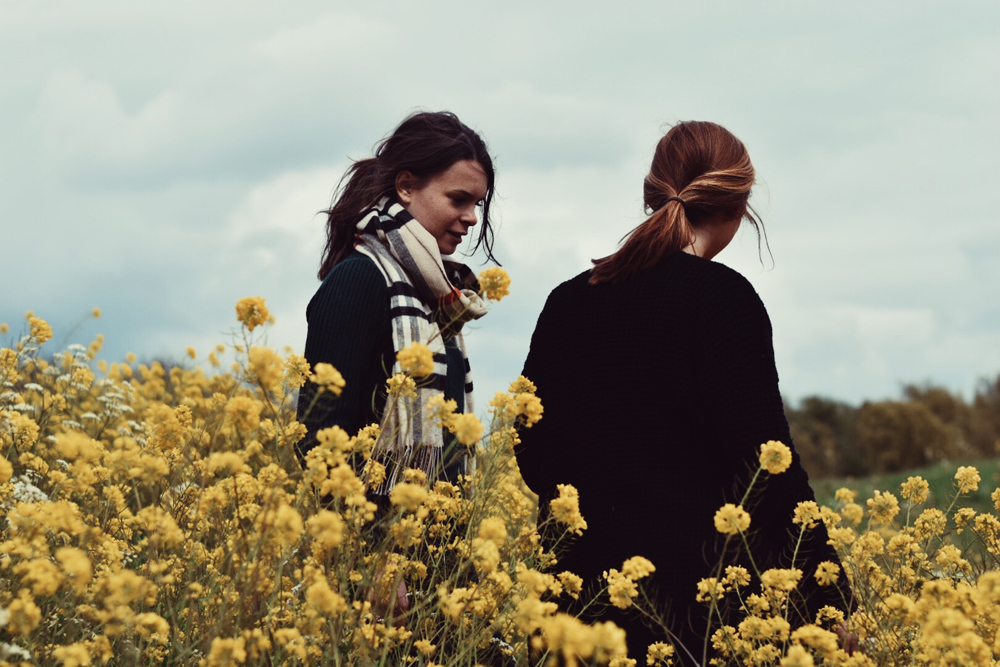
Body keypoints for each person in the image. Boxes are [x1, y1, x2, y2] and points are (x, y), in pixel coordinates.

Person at [515, 121, 852, 663]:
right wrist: (830, 592)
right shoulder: (724, 300)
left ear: (652, 194)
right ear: (739, 205)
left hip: (575, 611)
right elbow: (766, 465)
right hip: (698, 616)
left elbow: (532, 451)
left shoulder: (566, 302)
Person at [296, 110, 497, 496]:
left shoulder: (433, 297)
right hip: (372, 526)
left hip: (432, 529)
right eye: (459, 199)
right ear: (406, 186)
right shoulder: (360, 279)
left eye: (477, 204)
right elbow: (319, 438)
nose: (472, 218)